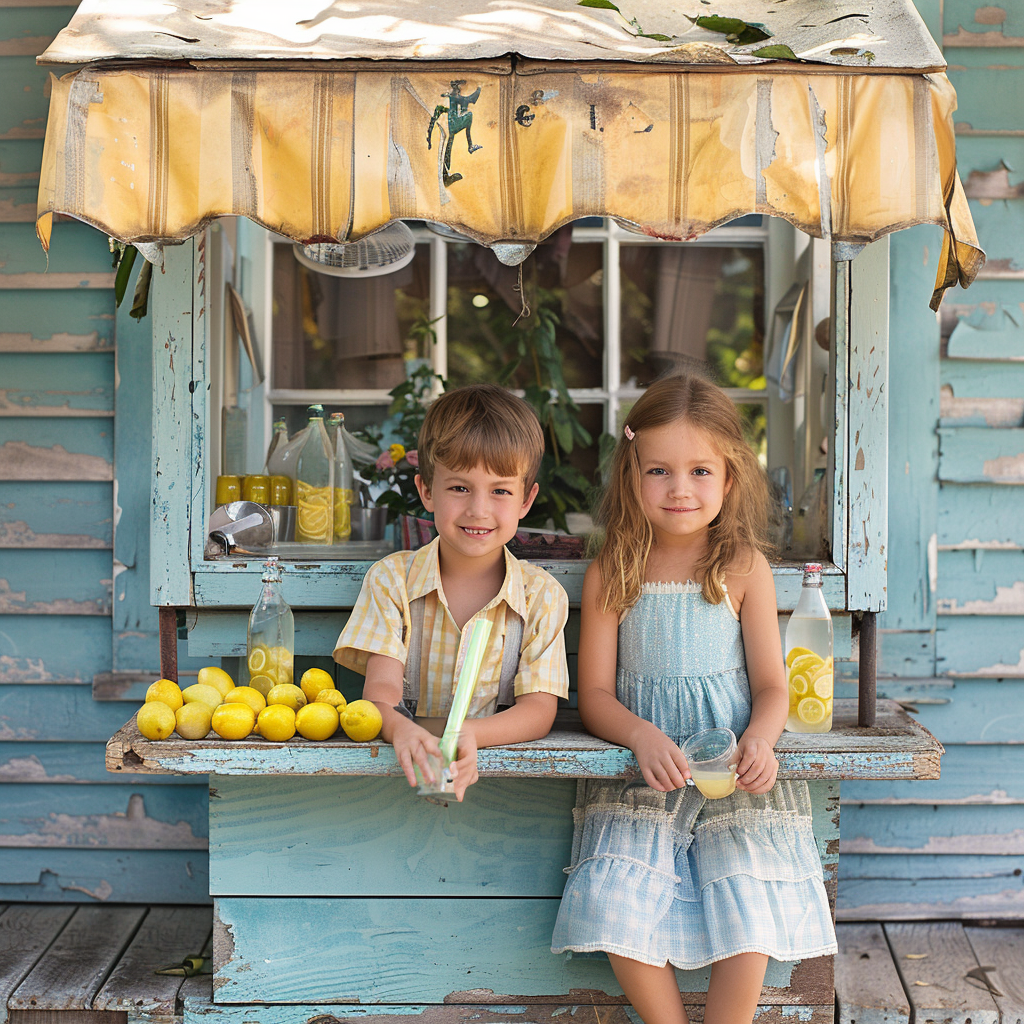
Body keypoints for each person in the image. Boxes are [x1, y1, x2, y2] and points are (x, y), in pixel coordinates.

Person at [551, 373, 837, 1024]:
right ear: (631, 475)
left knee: (748, 907)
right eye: (659, 470)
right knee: (615, 898)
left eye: (700, 470)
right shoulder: (613, 569)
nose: (680, 488)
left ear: (729, 479)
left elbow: (771, 686)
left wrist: (761, 737)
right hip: (648, 772)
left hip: (729, 770)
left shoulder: (743, 568)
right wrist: (639, 735)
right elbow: (594, 693)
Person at [333, 383, 569, 801]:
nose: (478, 509)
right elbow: (381, 695)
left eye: (500, 490)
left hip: (506, 794)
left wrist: (468, 735)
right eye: (460, 488)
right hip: (394, 779)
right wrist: (400, 729)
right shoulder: (393, 581)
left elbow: (538, 712)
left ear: (526, 499)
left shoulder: (540, 596)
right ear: (426, 491)